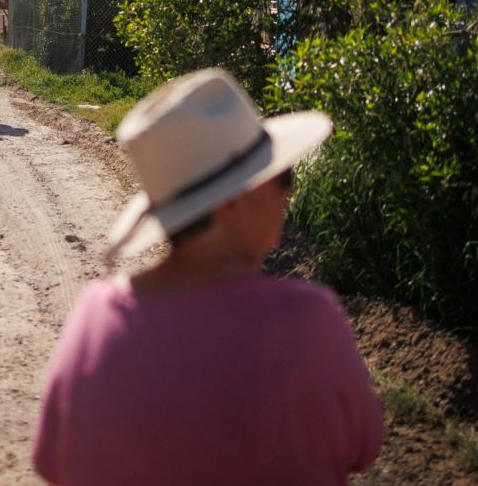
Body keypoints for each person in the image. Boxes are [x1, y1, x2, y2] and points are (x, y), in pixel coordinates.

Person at [33, 69, 383, 486]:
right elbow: (364, 446)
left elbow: (53, 463)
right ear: (233, 203)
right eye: (280, 176)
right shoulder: (307, 321)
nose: (287, 194)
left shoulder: (93, 317)